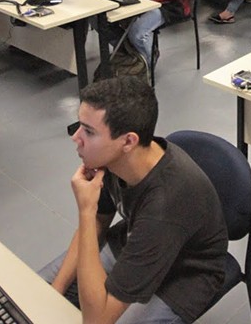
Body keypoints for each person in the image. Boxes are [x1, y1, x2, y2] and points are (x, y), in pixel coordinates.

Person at [40, 77, 227, 324]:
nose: (76, 137)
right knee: (37, 292)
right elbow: (99, 220)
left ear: (128, 141)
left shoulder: (164, 205)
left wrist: (85, 209)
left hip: (184, 276)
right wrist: (54, 291)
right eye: (79, 126)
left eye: (89, 131)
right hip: (136, 242)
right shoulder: (117, 160)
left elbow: (96, 321)